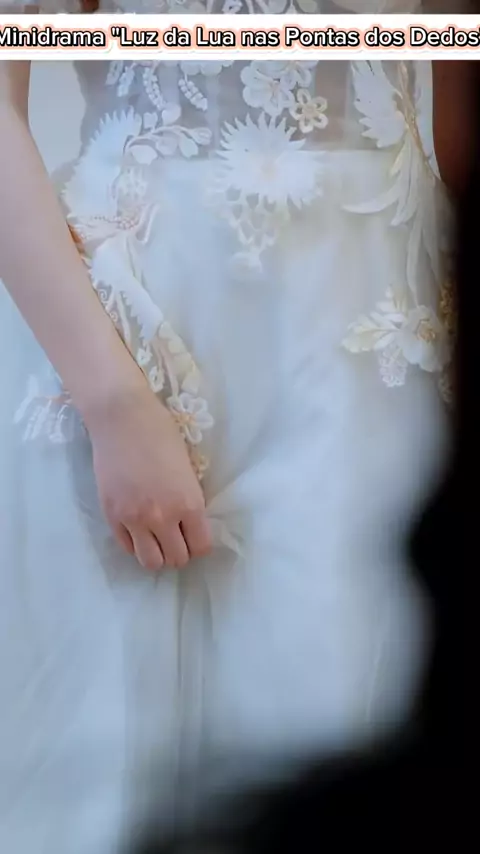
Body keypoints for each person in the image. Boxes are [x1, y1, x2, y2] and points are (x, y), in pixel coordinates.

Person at [0, 2, 459, 852]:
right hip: (129, 331)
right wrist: (114, 401)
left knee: (352, 709)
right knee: (112, 764)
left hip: (372, 337)